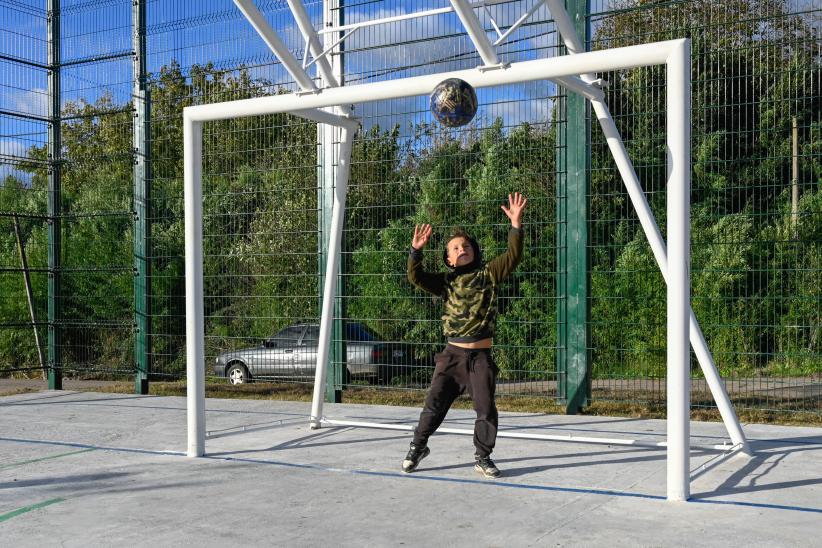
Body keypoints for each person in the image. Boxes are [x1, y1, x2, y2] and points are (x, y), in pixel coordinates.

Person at [402, 192, 527, 478]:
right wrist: (415, 251)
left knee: (486, 409)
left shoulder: (489, 275)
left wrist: (516, 225)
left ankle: (483, 456)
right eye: (455, 247)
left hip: (479, 357)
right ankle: (417, 446)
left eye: (466, 245)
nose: (462, 249)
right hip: (452, 357)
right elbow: (416, 277)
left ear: (475, 251)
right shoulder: (445, 282)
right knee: (433, 406)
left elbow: (513, 255)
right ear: (448, 258)